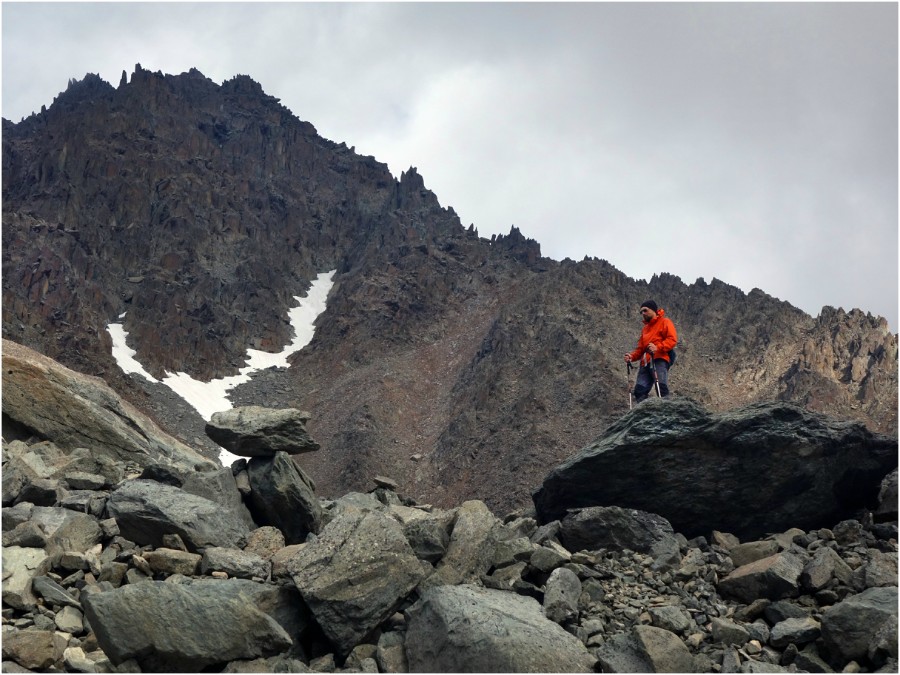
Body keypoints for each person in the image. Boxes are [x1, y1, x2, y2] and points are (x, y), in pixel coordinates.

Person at [624, 300, 677, 402]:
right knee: (639, 391)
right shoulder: (645, 329)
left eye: (645, 310)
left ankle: (666, 411)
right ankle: (643, 415)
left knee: (661, 387)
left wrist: (658, 347)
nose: (643, 314)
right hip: (645, 363)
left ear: (653, 310)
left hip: (659, 359)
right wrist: (631, 356)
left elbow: (672, 339)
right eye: (641, 312)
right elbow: (640, 349)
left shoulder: (665, 322)